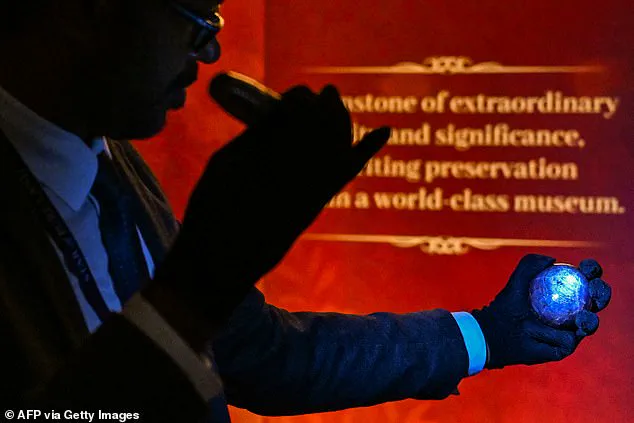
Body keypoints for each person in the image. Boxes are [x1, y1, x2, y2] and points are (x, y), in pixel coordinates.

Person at [0, 1, 612, 422]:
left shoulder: (110, 160)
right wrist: (204, 280)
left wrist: (488, 333)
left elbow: (261, 356)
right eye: (196, 14)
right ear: (87, 10)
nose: (211, 48)